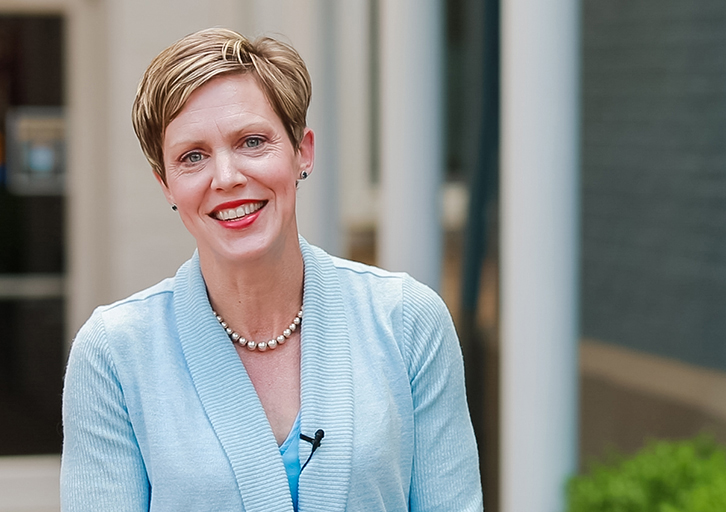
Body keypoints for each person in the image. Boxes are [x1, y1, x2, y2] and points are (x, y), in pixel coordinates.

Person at [60, 27, 482, 512]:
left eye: (252, 141)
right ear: (165, 184)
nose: (227, 178)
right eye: (191, 157)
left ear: (302, 151)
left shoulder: (407, 320)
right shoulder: (114, 354)